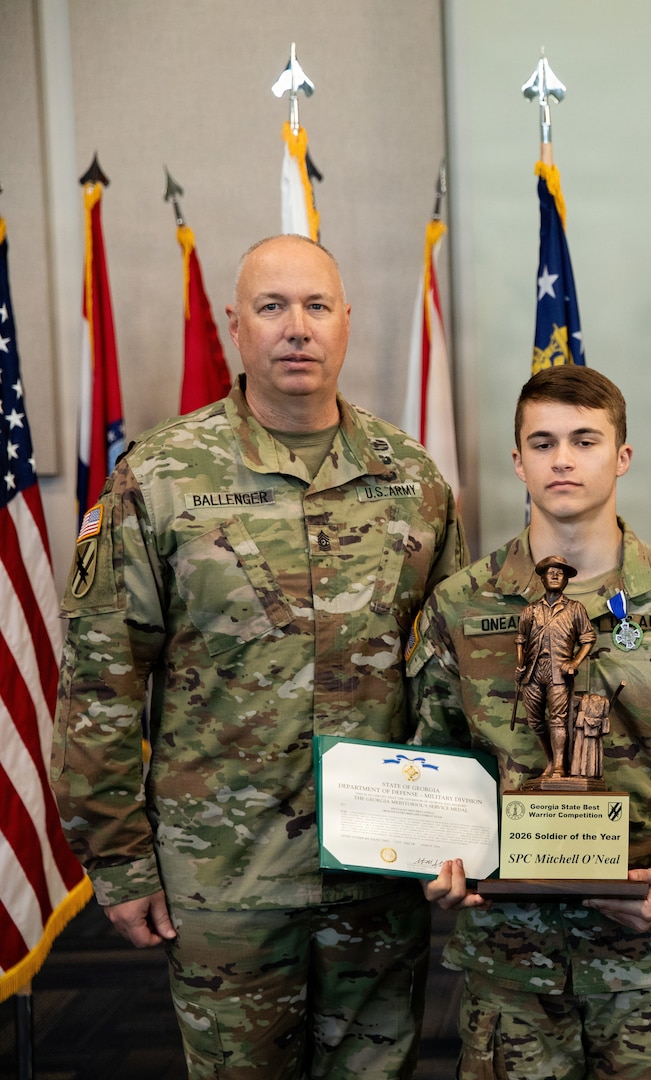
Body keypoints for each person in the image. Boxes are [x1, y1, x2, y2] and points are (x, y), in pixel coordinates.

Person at [52, 234, 466, 1078]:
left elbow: (451, 680)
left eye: (316, 306)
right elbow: (102, 677)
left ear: (347, 322)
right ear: (236, 326)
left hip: (379, 875)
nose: (297, 329)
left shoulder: (413, 480)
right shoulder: (160, 479)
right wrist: (119, 858)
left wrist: (460, 830)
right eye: (272, 308)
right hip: (226, 878)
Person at [409, 364, 651, 1080]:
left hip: (648, 965)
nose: (563, 459)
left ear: (621, 457)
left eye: (585, 440)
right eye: (543, 442)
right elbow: (433, 761)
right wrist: (437, 858)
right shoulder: (461, 606)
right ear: (518, 461)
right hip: (510, 967)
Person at [515, 554, 595, 778]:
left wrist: (575, 662)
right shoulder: (530, 611)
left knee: (558, 719)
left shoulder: (575, 609)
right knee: (534, 720)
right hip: (533, 671)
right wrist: (520, 665)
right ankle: (550, 760)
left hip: (559, 672)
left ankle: (559, 766)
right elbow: (520, 639)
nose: (556, 575)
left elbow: (588, 638)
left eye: (560, 573)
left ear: (566, 580)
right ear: (542, 579)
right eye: (551, 572)